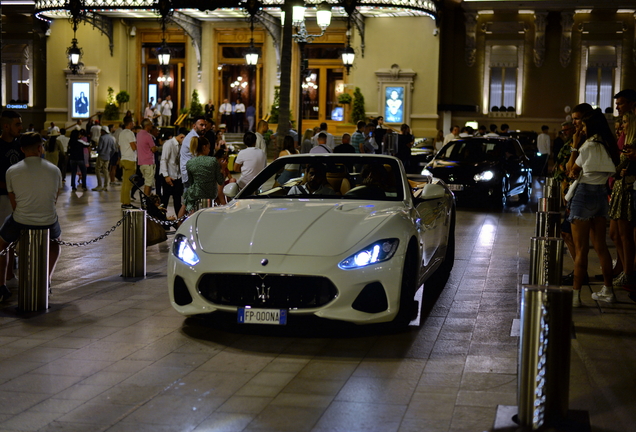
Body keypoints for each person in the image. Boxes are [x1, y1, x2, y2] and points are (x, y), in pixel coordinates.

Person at [566, 108, 620, 307]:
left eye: (584, 124)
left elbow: (572, 170)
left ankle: (575, 296)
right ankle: (608, 290)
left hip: (583, 196)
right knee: (601, 247)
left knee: (581, 250)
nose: (582, 127)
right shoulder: (609, 144)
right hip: (601, 195)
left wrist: (574, 146)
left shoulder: (587, 146)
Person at [0, 132, 63, 298]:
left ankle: (2, 284)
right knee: (56, 243)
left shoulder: (11, 171)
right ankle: (47, 279)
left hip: (21, 219)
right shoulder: (55, 170)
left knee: (2, 244)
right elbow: (54, 199)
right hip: (48, 219)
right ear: (40, 148)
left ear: (22, 149)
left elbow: (14, 203)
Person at [609, 112, 636, 291]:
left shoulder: (631, 144)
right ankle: (625, 270)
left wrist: (619, 170)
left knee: (626, 235)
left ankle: (628, 272)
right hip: (619, 189)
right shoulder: (627, 142)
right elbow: (617, 169)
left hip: (626, 190)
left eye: (625, 122)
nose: (622, 126)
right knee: (617, 234)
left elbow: (618, 168)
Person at [0, 110, 24, 299]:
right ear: (6, 126)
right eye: (17, 124)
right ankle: (4, 277)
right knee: (3, 237)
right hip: (3, 197)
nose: (20, 127)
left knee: (13, 236)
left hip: (19, 197)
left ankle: (10, 273)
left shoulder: (21, 145)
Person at [181, 136, 225, 214]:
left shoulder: (190, 163)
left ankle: (179, 222)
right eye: (209, 148)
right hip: (210, 195)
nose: (209, 150)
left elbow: (191, 182)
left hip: (195, 195)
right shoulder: (213, 161)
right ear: (204, 147)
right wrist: (223, 169)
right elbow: (220, 181)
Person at [160, 128, 186, 216]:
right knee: (165, 200)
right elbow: (164, 160)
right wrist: (166, 176)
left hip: (178, 176)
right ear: (182, 137)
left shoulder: (180, 145)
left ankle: (179, 221)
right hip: (169, 176)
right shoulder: (168, 144)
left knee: (177, 200)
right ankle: (162, 220)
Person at [180, 116, 207, 191]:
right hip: (191, 174)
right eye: (201, 125)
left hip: (192, 173)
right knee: (190, 200)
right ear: (194, 126)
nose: (204, 127)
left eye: (205, 125)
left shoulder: (195, 137)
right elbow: (198, 157)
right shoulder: (192, 138)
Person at [118, 116, 137, 209]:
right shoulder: (130, 133)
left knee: (125, 182)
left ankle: (124, 201)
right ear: (130, 123)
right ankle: (127, 203)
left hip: (123, 158)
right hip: (130, 159)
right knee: (129, 183)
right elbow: (133, 147)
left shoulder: (121, 133)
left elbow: (119, 146)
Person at [136, 119, 158, 196]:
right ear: (147, 126)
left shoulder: (138, 134)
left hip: (141, 162)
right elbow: (153, 149)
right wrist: (157, 147)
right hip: (148, 162)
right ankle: (146, 201)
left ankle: (147, 199)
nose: (152, 125)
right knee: (148, 183)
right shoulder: (148, 136)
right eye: (150, 124)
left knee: (147, 181)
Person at [93, 126, 117, 191]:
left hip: (101, 156)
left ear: (104, 131)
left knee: (97, 170)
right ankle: (106, 185)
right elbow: (114, 149)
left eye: (101, 131)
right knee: (106, 170)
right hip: (108, 156)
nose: (100, 132)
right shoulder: (112, 138)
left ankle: (99, 185)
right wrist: (110, 155)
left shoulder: (102, 138)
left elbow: (100, 148)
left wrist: (98, 151)